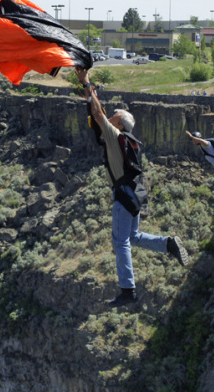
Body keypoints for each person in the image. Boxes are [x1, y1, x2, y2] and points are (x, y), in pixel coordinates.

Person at [76, 68, 189, 307]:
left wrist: (86, 82)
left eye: (114, 114)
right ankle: (168, 243)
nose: (111, 114)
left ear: (118, 122)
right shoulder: (127, 140)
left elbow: (98, 113)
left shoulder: (114, 133)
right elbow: (100, 113)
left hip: (124, 196)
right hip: (135, 194)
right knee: (133, 237)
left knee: (121, 242)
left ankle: (128, 290)